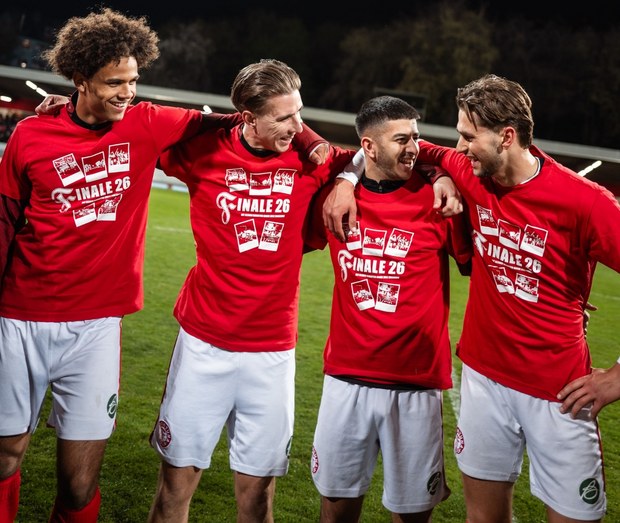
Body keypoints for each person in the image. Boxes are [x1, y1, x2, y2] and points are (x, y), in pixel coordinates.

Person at [0, 9, 326, 523]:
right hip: (23, 316)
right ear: (80, 79)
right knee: (6, 456)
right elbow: (4, 220)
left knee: (80, 484)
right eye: (115, 82)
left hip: (99, 326)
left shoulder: (147, 122)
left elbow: (238, 121)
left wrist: (315, 144)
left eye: (133, 80)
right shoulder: (32, 134)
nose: (127, 92)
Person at [146, 61, 462, 522]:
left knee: (258, 498)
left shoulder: (314, 159)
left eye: (299, 113)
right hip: (202, 343)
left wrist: (356, 180)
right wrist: (65, 109)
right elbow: (130, 136)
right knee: (174, 490)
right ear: (247, 117)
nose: (298, 127)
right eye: (284, 117)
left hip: (272, 352)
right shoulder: (203, 152)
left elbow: (377, 153)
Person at [326, 74, 620, 522]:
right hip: (483, 381)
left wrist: (618, 376)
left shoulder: (585, 202)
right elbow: (394, 149)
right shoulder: (468, 170)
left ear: (507, 137)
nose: (458, 147)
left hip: (559, 392)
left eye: (468, 136)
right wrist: (347, 180)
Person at [305, 95, 471, 522]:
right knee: (336, 510)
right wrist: (345, 179)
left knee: (413, 514)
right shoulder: (334, 199)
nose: (414, 147)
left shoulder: (438, 202)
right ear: (369, 146)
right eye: (401, 139)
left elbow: (483, 268)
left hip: (416, 384)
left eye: (416, 136)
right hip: (346, 380)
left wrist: (440, 173)